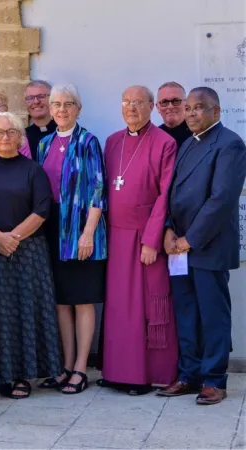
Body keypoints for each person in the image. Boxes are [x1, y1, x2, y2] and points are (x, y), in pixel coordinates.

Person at [159, 87, 246, 405]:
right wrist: (169, 230)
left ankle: (214, 380)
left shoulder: (230, 144)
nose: (192, 113)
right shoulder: (187, 145)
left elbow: (221, 200)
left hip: (207, 247)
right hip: (179, 248)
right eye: (190, 108)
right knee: (187, 313)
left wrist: (189, 239)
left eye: (200, 108)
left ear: (217, 112)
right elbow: (172, 192)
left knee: (212, 315)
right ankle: (189, 375)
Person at [0, 112, 62, 399]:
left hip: (27, 253)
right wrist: (0, 238)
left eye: (11, 132)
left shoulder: (33, 170)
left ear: (21, 137)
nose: (5, 137)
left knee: (23, 314)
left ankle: (21, 376)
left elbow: (42, 209)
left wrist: (13, 239)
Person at [98, 86, 179, 396]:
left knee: (148, 306)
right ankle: (118, 372)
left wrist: (152, 240)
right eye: (127, 102)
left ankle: (147, 375)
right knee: (120, 309)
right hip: (115, 239)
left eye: (139, 103)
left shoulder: (165, 143)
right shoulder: (112, 142)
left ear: (151, 107)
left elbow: (165, 194)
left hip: (144, 238)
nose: (132, 108)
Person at [36, 84, 107, 395]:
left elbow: (98, 190)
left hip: (81, 230)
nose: (61, 110)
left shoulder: (89, 142)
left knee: (82, 298)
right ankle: (66, 365)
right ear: (50, 109)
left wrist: (88, 233)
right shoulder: (44, 143)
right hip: (52, 230)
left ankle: (81, 367)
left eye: (68, 104)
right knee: (62, 301)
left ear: (79, 109)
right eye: (56, 104)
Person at [157, 81, 193, 148]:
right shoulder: (154, 136)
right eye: (164, 102)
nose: (170, 106)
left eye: (176, 101)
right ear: (158, 108)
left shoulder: (197, 135)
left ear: (186, 105)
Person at [24, 80, 57, 151]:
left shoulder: (65, 132)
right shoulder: (22, 136)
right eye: (30, 98)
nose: (36, 101)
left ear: (52, 99)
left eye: (41, 96)